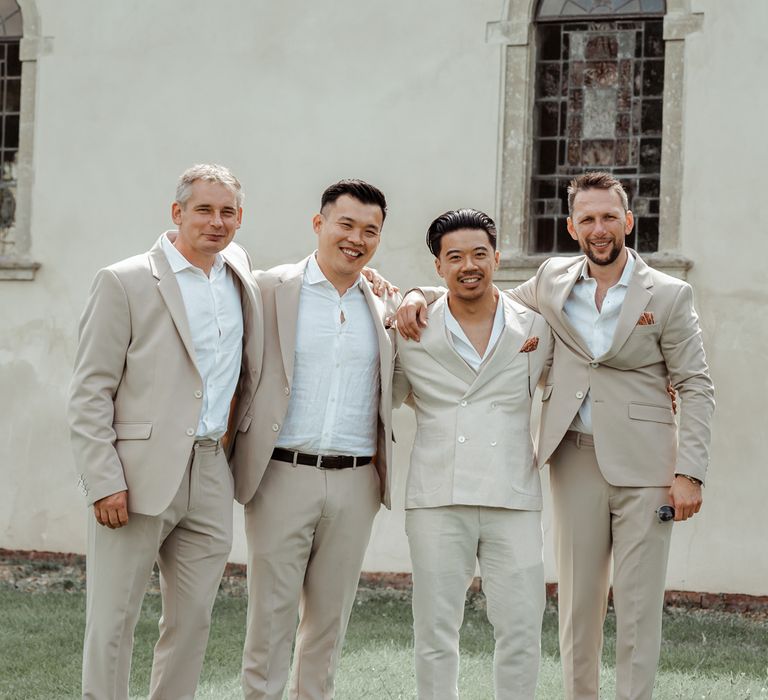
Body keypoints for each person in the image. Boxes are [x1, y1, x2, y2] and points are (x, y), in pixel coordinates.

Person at [396, 171, 715, 700]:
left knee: (638, 607)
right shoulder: (551, 281)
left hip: (647, 467)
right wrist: (414, 293)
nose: (599, 228)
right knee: (576, 605)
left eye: (609, 216)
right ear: (571, 226)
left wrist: (689, 471)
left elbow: (696, 384)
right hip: (572, 458)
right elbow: (477, 288)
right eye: (587, 218)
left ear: (628, 220)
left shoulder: (671, 294)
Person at [67, 164, 262, 699]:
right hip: (134, 477)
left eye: (228, 212)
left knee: (193, 621)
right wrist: (103, 479)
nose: (216, 222)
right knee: (113, 620)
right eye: (203, 209)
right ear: (176, 213)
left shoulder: (240, 270)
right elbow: (89, 391)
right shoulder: (123, 280)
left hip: (211, 470)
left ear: (239, 219)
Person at [230, 179, 399, 700]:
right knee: (271, 621)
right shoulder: (268, 288)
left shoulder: (386, 303)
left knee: (328, 625)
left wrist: (409, 292)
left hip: (357, 482)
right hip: (281, 474)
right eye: (345, 224)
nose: (356, 238)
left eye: (370, 230)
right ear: (318, 224)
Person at [392, 209, 552, 699]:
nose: (469, 265)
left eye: (480, 254)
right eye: (454, 256)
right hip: (438, 495)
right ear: (438, 267)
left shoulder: (537, 327)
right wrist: (414, 295)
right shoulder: (409, 328)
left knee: (522, 632)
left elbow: (579, 382)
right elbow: (379, 393)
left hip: (514, 495)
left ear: (497, 258)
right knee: (436, 634)